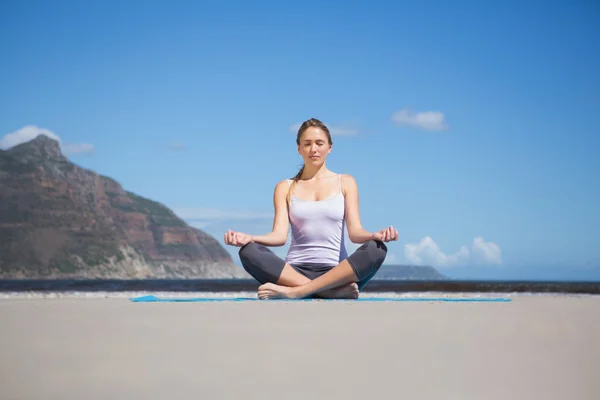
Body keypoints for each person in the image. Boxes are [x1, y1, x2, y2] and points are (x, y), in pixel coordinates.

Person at [224, 118, 398, 300]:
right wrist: (249, 238)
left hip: (337, 273)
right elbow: (279, 236)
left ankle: (298, 292)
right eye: (307, 144)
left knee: (376, 249)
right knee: (248, 251)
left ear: (329, 147)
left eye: (319, 143)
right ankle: (327, 292)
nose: (313, 149)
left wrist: (374, 236)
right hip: (293, 272)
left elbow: (355, 233)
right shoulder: (285, 186)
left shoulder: (346, 182)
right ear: (299, 148)